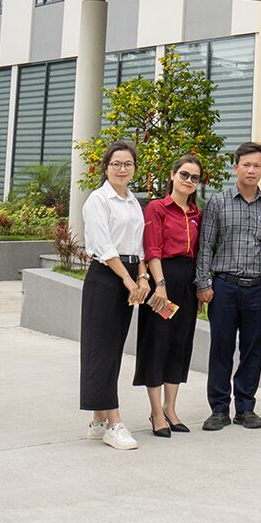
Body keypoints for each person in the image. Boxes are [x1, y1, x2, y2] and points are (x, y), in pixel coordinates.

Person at [195, 141, 261, 430]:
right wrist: (203, 283)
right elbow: (205, 246)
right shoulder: (218, 202)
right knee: (221, 348)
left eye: (257, 165)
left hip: (259, 287)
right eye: (246, 164)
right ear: (236, 168)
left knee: (253, 349)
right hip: (225, 287)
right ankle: (219, 409)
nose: (251, 170)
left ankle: (245, 407)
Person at [80, 140, 147, 450]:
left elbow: (140, 245)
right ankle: (114, 423)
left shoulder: (133, 201)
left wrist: (142, 276)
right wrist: (128, 280)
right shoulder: (97, 200)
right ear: (106, 167)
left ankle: (98, 420)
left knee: (113, 349)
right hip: (106, 278)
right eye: (116, 164)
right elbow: (104, 247)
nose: (122, 169)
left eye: (128, 164)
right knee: (101, 350)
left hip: (129, 275)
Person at [135, 153, 203, 436]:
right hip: (163, 278)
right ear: (173, 175)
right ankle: (155, 413)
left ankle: (170, 409)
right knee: (157, 343)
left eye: (194, 177)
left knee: (179, 344)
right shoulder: (157, 208)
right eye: (184, 174)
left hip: (187, 281)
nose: (188, 180)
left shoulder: (196, 214)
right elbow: (152, 248)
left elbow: (198, 253)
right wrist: (160, 284)